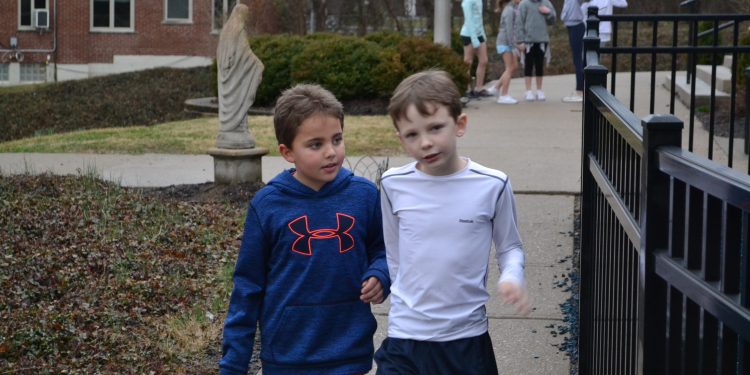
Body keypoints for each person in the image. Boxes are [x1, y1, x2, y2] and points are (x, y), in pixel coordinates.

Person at [219, 84, 390, 375]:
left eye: (337, 139)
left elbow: (384, 249)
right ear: (287, 152)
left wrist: (381, 274)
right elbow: (247, 288)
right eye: (316, 144)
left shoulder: (363, 196)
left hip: (349, 352)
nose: (331, 152)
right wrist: (233, 365)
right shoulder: (268, 205)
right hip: (287, 357)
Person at [374, 70, 530, 374]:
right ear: (400, 137)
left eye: (435, 128)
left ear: (459, 124)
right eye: (412, 134)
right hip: (406, 337)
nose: (426, 143)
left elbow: (510, 247)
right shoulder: (393, 184)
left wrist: (512, 277)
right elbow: (394, 254)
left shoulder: (492, 185)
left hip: (465, 340)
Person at [216, 3, 264, 149]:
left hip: (227, 76)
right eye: (245, 15)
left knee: (236, 99)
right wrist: (257, 64)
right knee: (240, 98)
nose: (246, 18)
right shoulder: (238, 31)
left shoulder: (225, 31)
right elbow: (244, 53)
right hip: (235, 76)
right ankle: (237, 128)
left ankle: (231, 128)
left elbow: (223, 54)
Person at [518, 0, 556, 102]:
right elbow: (519, 23)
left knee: (540, 65)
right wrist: (520, 40)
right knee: (528, 66)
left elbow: (553, 20)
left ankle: (539, 90)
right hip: (528, 41)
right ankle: (528, 91)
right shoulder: (524, 4)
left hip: (542, 40)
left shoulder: (546, 3)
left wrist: (548, 12)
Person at [492, 0, 522, 104]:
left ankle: (496, 88)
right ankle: (504, 95)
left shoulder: (513, 8)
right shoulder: (509, 10)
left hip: (508, 43)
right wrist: (514, 46)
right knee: (509, 68)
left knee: (514, 67)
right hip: (505, 43)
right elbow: (509, 30)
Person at [460, 0, 492, 98]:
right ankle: (467, 89)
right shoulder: (467, 1)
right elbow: (469, 20)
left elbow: (479, 19)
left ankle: (479, 88)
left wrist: (483, 36)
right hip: (468, 34)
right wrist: (474, 39)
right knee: (468, 62)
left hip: (479, 34)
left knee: (483, 60)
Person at [561, 0, 585, 103]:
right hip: (570, 26)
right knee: (577, 59)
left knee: (578, 59)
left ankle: (580, 91)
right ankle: (579, 90)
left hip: (577, 26)